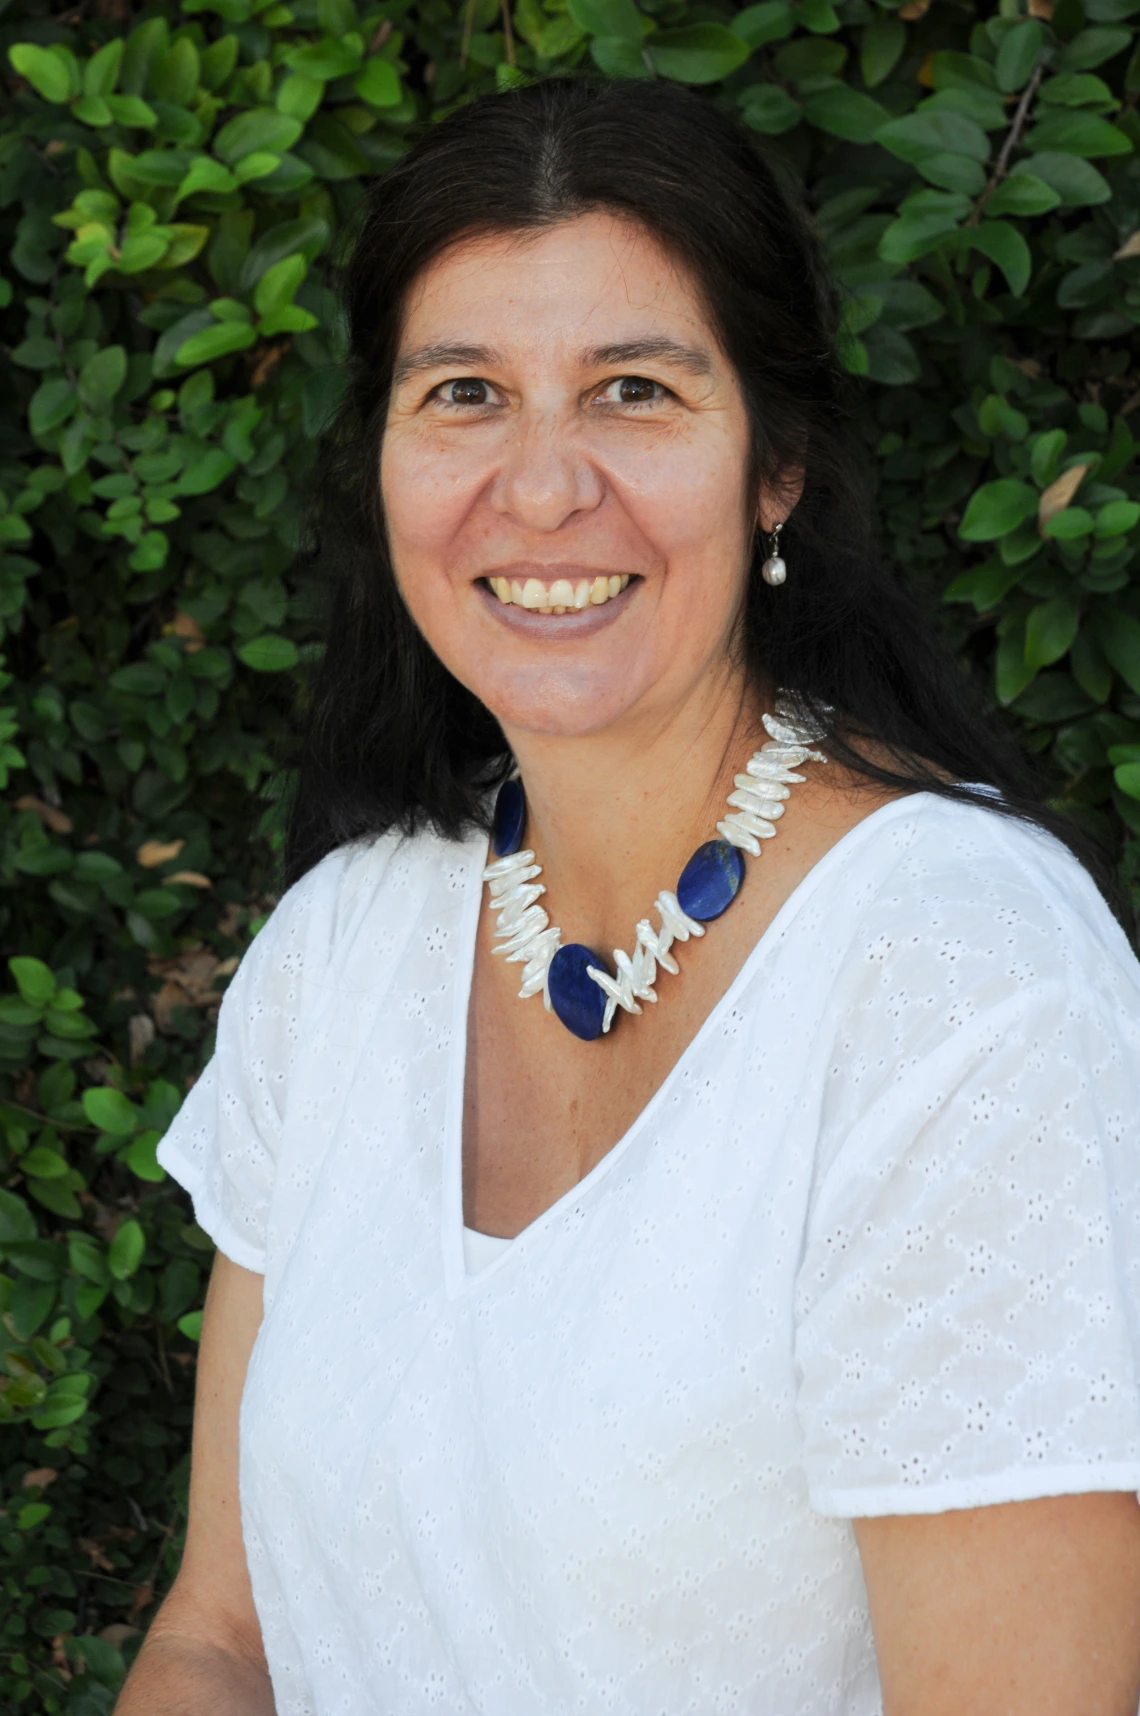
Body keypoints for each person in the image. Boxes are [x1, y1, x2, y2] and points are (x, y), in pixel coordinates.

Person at [117, 78, 1140, 1716]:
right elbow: (219, 1637)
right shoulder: (348, 944)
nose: (539, 490)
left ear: (778, 465)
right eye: (464, 392)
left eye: (634, 392)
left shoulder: (962, 984)